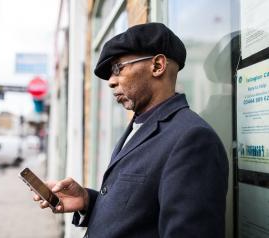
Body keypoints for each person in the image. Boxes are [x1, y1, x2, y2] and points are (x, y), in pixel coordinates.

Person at [33, 22, 229, 238]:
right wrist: (88, 201)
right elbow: (141, 212)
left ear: (157, 66)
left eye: (117, 68)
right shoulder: (139, 125)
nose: (110, 81)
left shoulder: (193, 139)